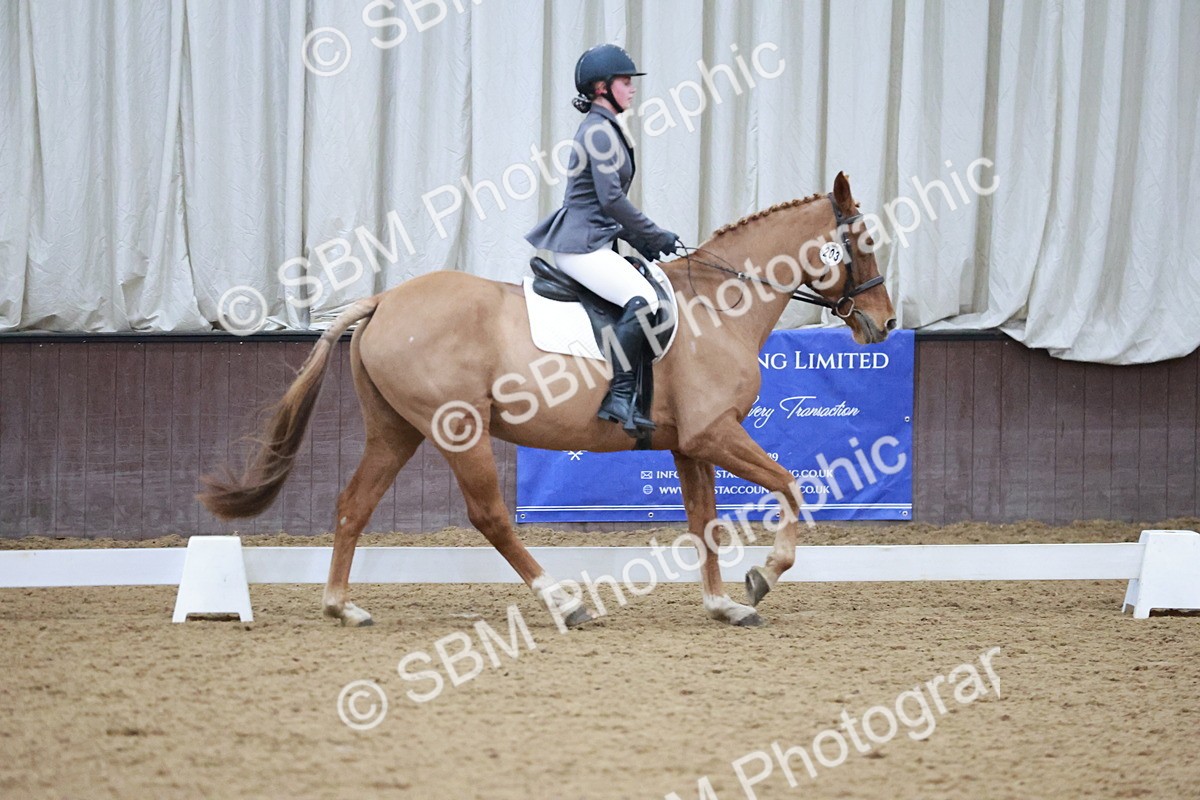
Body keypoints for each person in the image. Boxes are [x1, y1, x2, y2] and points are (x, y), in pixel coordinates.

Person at [526, 44, 680, 436]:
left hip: (594, 239)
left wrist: (644, 242)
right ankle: (619, 394)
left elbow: (604, 203)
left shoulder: (606, 128)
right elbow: (611, 199)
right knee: (643, 300)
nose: (632, 89)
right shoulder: (598, 130)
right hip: (582, 246)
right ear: (600, 87)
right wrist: (652, 233)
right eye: (625, 82)